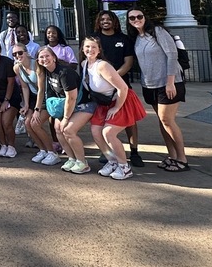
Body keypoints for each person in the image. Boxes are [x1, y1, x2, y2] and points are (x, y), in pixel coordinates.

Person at [128, 9, 189, 172]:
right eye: (132, 18)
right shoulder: (137, 38)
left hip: (168, 83)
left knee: (167, 119)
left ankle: (182, 159)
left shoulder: (158, 31)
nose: (136, 19)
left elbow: (172, 55)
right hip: (150, 84)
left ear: (145, 17)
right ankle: (173, 156)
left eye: (139, 16)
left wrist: (170, 82)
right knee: (162, 122)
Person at [81, 36, 147, 180]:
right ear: (82, 48)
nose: (90, 50)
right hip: (104, 103)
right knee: (96, 131)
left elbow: (122, 87)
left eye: (93, 47)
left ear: (99, 50)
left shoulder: (103, 66)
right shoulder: (84, 64)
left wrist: (116, 108)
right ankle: (112, 161)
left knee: (108, 132)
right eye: (87, 46)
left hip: (120, 100)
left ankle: (124, 167)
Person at [93, 10, 143, 167]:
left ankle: (134, 151)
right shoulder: (95, 39)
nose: (105, 21)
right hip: (102, 90)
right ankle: (106, 151)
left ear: (114, 21)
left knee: (130, 121)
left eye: (108, 19)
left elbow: (128, 63)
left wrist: (113, 78)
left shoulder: (124, 39)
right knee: (103, 121)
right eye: (102, 19)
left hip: (122, 86)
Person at [34, 46, 95, 174]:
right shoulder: (46, 72)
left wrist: (66, 118)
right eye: (41, 57)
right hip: (66, 105)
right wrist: (38, 109)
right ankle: (72, 158)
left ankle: (82, 162)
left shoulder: (64, 72)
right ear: (38, 61)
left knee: (68, 130)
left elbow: (71, 97)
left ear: (54, 57)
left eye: (47, 56)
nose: (45, 59)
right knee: (58, 128)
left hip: (82, 105)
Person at [12, 45, 58, 165]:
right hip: (33, 97)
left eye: (20, 53)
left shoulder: (36, 64)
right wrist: (26, 105)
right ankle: (42, 150)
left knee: (35, 123)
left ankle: (52, 152)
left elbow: (42, 89)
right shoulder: (17, 68)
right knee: (28, 124)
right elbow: (24, 87)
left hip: (46, 97)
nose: (18, 56)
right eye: (15, 54)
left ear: (26, 52)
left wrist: (37, 109)